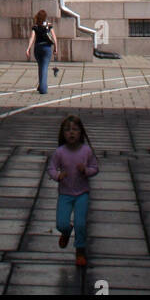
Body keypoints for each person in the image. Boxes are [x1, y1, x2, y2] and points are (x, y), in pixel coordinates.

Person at [48, 114, 99, 269]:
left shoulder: (86, 151)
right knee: (61, 223)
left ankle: (80, 250)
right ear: (63, 133)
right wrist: (57, 176)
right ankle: (66, 231)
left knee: (80, 223)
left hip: (82, 193)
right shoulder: (60, 152)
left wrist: (86, 171)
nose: (71, 133)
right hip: (65, 194)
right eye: (67, 130)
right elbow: (51, 168)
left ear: (80, 132)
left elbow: (95, 168)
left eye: (75, 130)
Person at [25, 9, 58, 94]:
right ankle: (43, 88)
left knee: (41, 66)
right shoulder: (49, 25)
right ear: (45, 17)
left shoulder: (35, 26)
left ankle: (40, 86)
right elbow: (54, 37)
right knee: (44, 67)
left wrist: (28, 48)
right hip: (47, 48)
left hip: (38, 48)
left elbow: (32, 37)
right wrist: (55, 48)